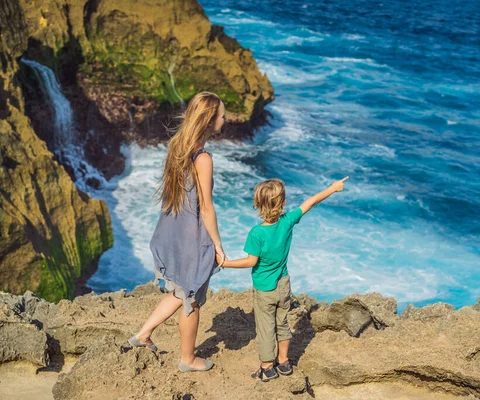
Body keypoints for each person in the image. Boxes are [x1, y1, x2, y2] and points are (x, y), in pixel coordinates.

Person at [129, 92, 227, 373]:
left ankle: (143, 334)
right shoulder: (203, 158)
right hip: (192, 236)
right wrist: (218, 246)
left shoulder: (178, 146)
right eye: (222, 115)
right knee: (191, 297)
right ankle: (188, 358)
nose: (225, 119)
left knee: (179, 291)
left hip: (172, 228)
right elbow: (206, 209)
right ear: (209, 120)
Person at [219, 176, 348, 381]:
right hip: (283, 284)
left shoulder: (257, 233)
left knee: (265, 328)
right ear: (283, 202)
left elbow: (251, 261)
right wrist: (332, 188)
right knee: (282, 323)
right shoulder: (287, 222)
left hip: (264, 289)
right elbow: (311, 202)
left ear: (258, 204)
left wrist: (225, 263)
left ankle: (267, 367)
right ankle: (284, 362)